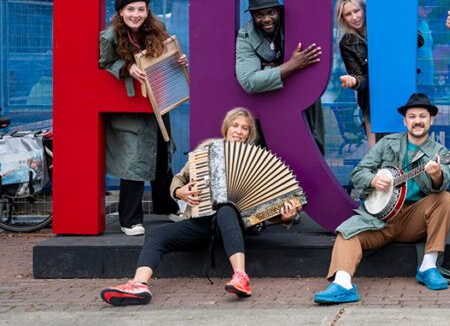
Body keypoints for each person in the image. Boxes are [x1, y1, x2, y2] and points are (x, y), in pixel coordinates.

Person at [99, 107, 302, 306]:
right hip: (202, 221)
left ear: (249, 134)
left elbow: (264, 207)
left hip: (234, 224)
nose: (239, 131)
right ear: (227, 127)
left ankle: (241, 277)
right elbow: (179, 179)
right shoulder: (208, 150)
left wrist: (284, 217)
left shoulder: (256, 160)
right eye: (235, 125)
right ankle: (139, 285)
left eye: (244, 128)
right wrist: (179, 192)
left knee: (226, 209)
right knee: (156, 235)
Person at [314, 93, 450, 304]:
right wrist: (373, 180)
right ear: (405, 121)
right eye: (412, 116)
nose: (417, 121)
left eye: (422, 116)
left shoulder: (438, 151)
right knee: (347, 232)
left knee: (445, 198)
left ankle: (428, 267)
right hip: (379, 219)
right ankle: (342, 284)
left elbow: (443, 182)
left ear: (431, 120)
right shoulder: (388, 143)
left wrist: (436, 175)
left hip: (413, 219)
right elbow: (358, 172)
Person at [99, 0, 185, 236]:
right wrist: (127, 67)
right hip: (130, 108)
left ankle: (167, 206)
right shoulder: (110, 36)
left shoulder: (156, 30)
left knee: (162, 155)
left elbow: (166, 58)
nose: (136, 14)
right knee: (134, 160)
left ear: (147, 11)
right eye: (130, 9)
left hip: (156, 102)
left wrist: (178, 61)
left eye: (141, 9)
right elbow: (103, 64)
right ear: (120, 12)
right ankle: (130, 219)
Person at [236, 0, 326, 155]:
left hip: (302, 99)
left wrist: (270, 69)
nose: (266, 19)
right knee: (268, 152)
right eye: (259, 15)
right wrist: (292, 65)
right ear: (252, 15)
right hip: (268, 103)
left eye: (271, 13)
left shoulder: (295, 23)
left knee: (310, 145)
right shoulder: (246, 35)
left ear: (279, 9)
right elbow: (249, 81)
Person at [336, 0, 425, 146]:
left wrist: (396, 20)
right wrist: (354, 81)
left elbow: (418, 41)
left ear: (364, 9)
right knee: (376, 153)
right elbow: (362, 79)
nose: (354, 17)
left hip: (398, 93)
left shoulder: (383, 25)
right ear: (343, 18)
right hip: (372, 102)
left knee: (404, 149)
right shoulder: (346, 43)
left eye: (356, 11)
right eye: (348, 14)